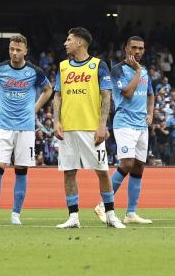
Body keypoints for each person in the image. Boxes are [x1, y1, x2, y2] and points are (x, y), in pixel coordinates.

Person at [53, 27, 124, 229]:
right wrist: (57, 121)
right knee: (68, 172)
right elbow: (58, 96)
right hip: (67, 129)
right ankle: (73, 217)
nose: (65, 43)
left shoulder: (98, 66)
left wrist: (102, 125)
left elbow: (106, 96)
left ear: (80, 43)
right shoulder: (63, 66)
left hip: (91, 129)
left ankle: (110, 215)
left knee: (101, 171)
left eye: (69, 40)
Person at [0, 34, 52, 226]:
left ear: (26, 51)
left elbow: (48, 89)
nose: (14, 53)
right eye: (12, 49)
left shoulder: (34, 71)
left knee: (21, 171)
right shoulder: (0, 69)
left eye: (18, 49)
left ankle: (16, 214)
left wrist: (35, 109)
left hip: (25, 128)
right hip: (3, 126)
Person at [95, 36, 155, 224]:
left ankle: (131, 213)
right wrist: (137, 72)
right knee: (127, 164)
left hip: (141, 125)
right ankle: (102, 205)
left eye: (141, 48)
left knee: (139, 167)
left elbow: (150, 95)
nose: (137, 51)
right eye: (134, 48)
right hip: (125, 122)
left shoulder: (144, 71)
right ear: (126, 48)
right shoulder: (117, 69)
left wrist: (150, 113)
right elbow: (127, 93)